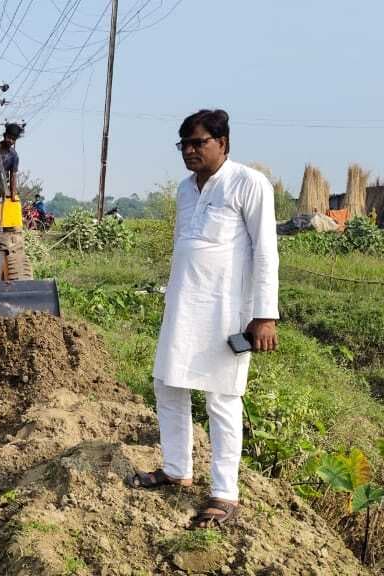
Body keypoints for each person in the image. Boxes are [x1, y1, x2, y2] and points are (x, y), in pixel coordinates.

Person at [128, 109, 279, 529]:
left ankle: (225, 493)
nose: (190, 151)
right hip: (184, 305)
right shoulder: (184, 189)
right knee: (168, 384)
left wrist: (264, 315)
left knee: (223, 398)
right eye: (185, 145)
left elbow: (266, 250)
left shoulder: (249, 183)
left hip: (226, 310)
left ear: (223, 143)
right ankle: (177, 469)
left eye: (199, 143)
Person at [0, 122, 23, 196]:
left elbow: (13, 176)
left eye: (13, 139)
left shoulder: (14, 156)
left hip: (1, 186)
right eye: (9, 137)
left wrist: (13, 194)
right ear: (5, 135)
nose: (11, 141)